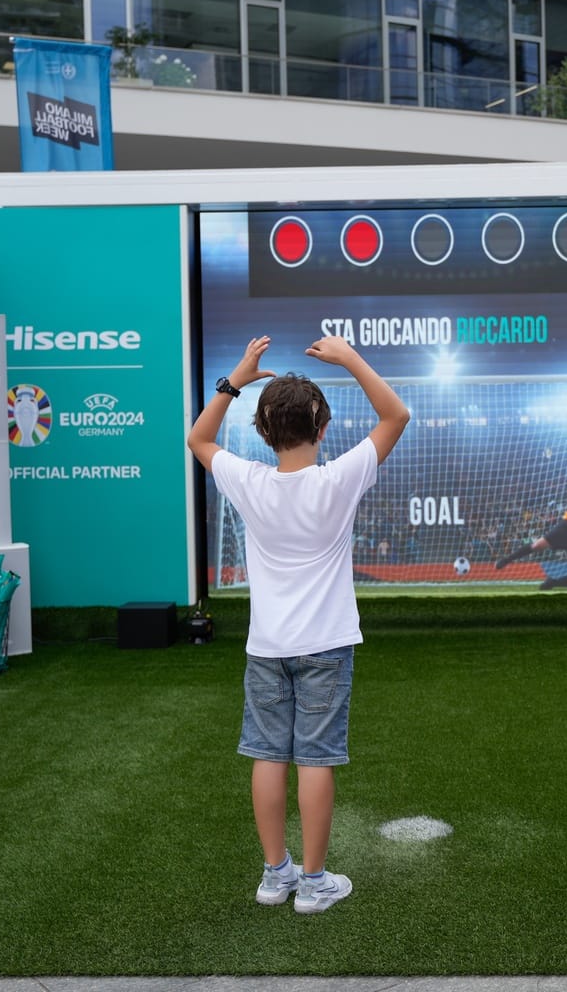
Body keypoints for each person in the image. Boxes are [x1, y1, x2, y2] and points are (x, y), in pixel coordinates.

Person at [186, 334, 410, 914]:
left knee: (267, 755)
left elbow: (199, 438)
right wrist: (350, 358)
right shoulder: (338, 479)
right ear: (323, 427)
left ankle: (275, 876)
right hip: (326, 647)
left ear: (263, 430)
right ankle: (313, 884)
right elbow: (396, 415)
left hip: (267, 647)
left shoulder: (249, 480)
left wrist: (236, 379)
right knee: (315, 759)